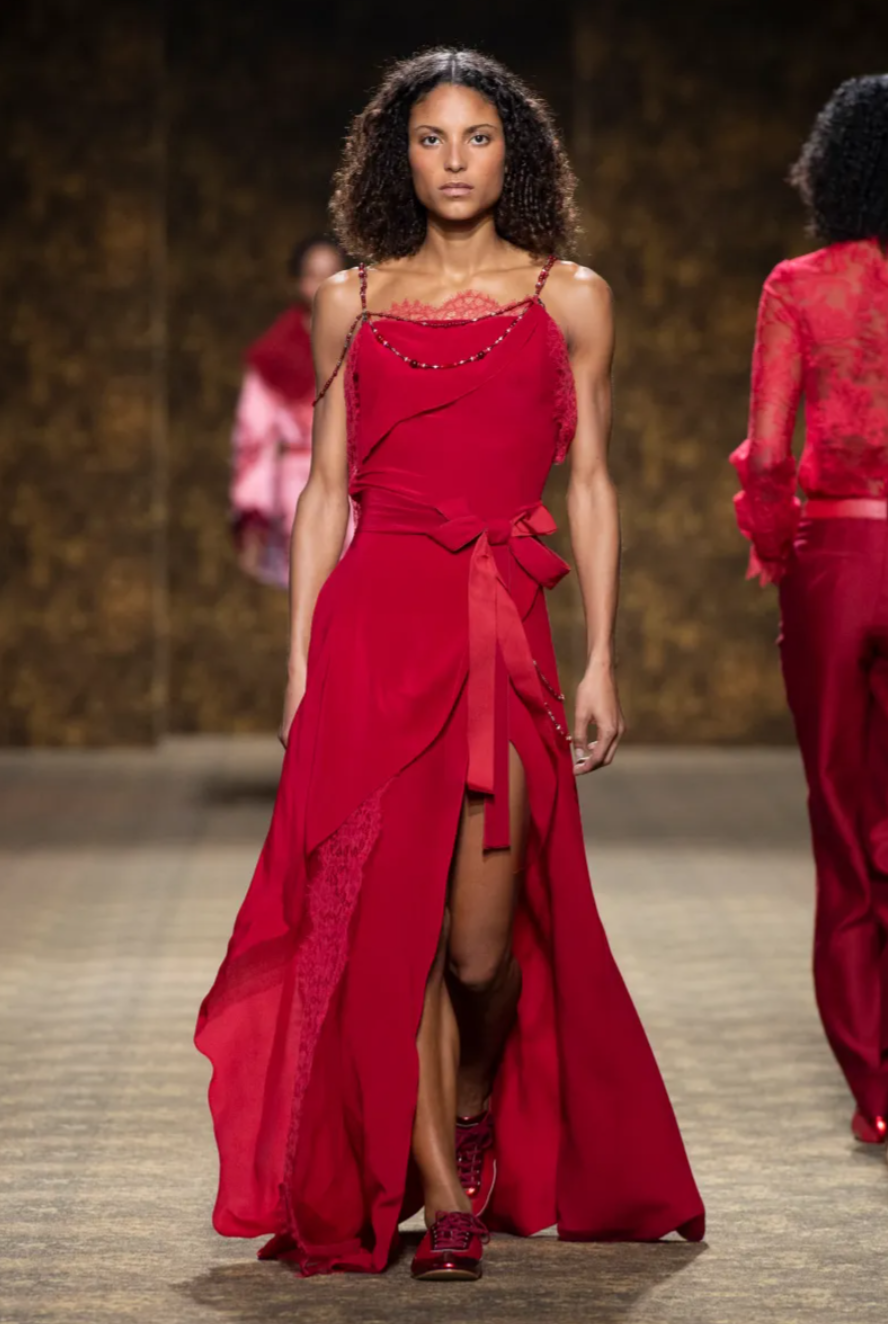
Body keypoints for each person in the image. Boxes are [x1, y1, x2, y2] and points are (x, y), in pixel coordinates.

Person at [197, 47, 704, 1281]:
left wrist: (602, 658)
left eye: (479, 136)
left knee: (482, 953)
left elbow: (592, 482)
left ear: (513, 151)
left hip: (503, 637)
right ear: (399, 157)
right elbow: (323, 493)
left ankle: (474, 1108)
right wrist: (299, 668)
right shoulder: (352, 302)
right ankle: (441, 1190)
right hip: (376, 632)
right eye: (431, 138)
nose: (456, 160)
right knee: (393, 934)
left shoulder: (572, 297)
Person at [731, 75, 888, 1154]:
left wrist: (774, 547)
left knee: (841, 823)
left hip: (836, 564)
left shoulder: (801, 285)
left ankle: (878, 1088)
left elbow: (769, 456)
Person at [230, 236, 348, 587]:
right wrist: (253, 517)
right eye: (314, 275)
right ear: (298, 282)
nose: (323, 285)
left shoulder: (371, 340)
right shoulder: (276, 355)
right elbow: (253, 440)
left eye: (333, 273)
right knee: (312, 595)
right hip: (301, 491)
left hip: (362, 491)